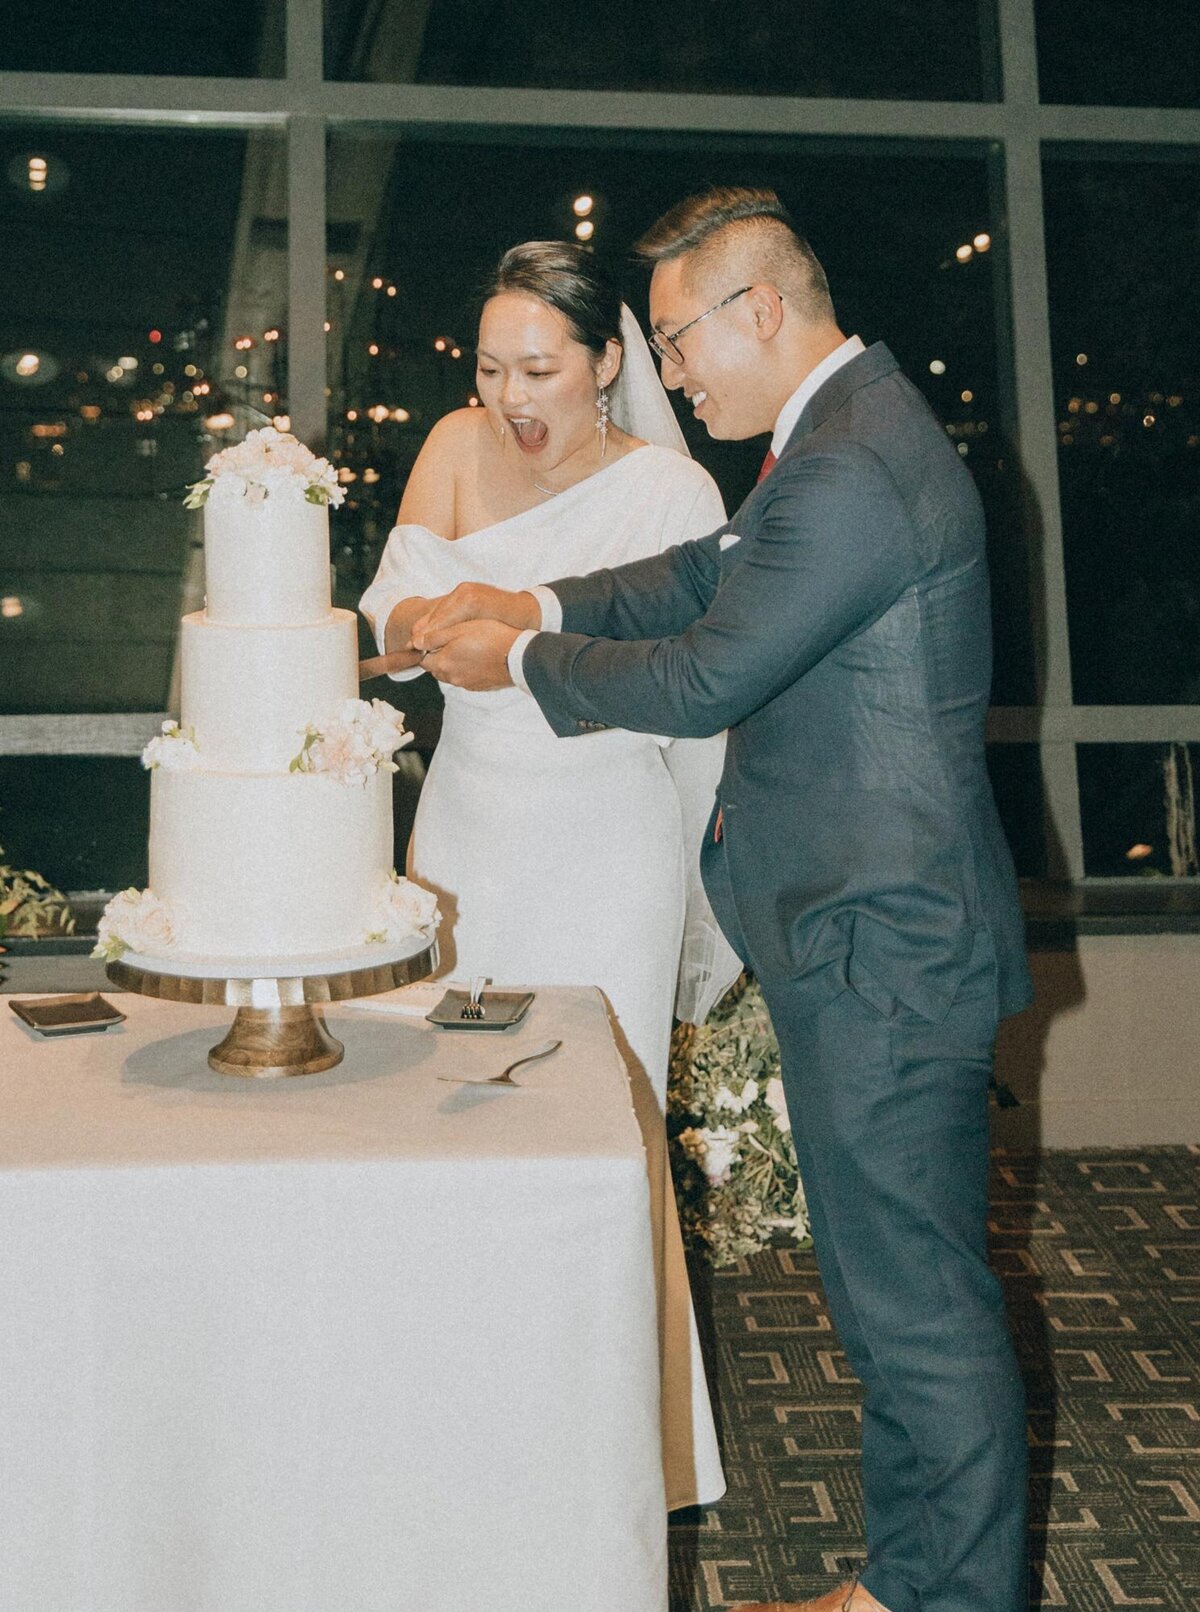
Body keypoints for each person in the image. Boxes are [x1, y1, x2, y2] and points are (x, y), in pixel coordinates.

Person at [410, 189, 1033, 1612]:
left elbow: (708, 675)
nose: (671, 370)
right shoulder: (834, 439)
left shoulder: (855, 464)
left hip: (886, 940)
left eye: (681, 340)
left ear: (758, 310)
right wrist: (547, 606)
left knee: (920, 1317)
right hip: (859, 932)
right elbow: (702, 576)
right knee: (891, 1308)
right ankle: (903, 1588)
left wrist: (514, 663)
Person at [359, 239, 740, 1512]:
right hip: (465, 837)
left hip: (606, 846)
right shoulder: (454, 447)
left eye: (540, 368)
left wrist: (501, 615)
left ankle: (604, 1453)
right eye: (488, 366)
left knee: (595, 1137)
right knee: (447, 1112)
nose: (511, 396)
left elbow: (692, 695)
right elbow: (387, 626)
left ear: (608, 363)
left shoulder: (675, 494)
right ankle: (451, 1427)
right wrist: (426, 623)